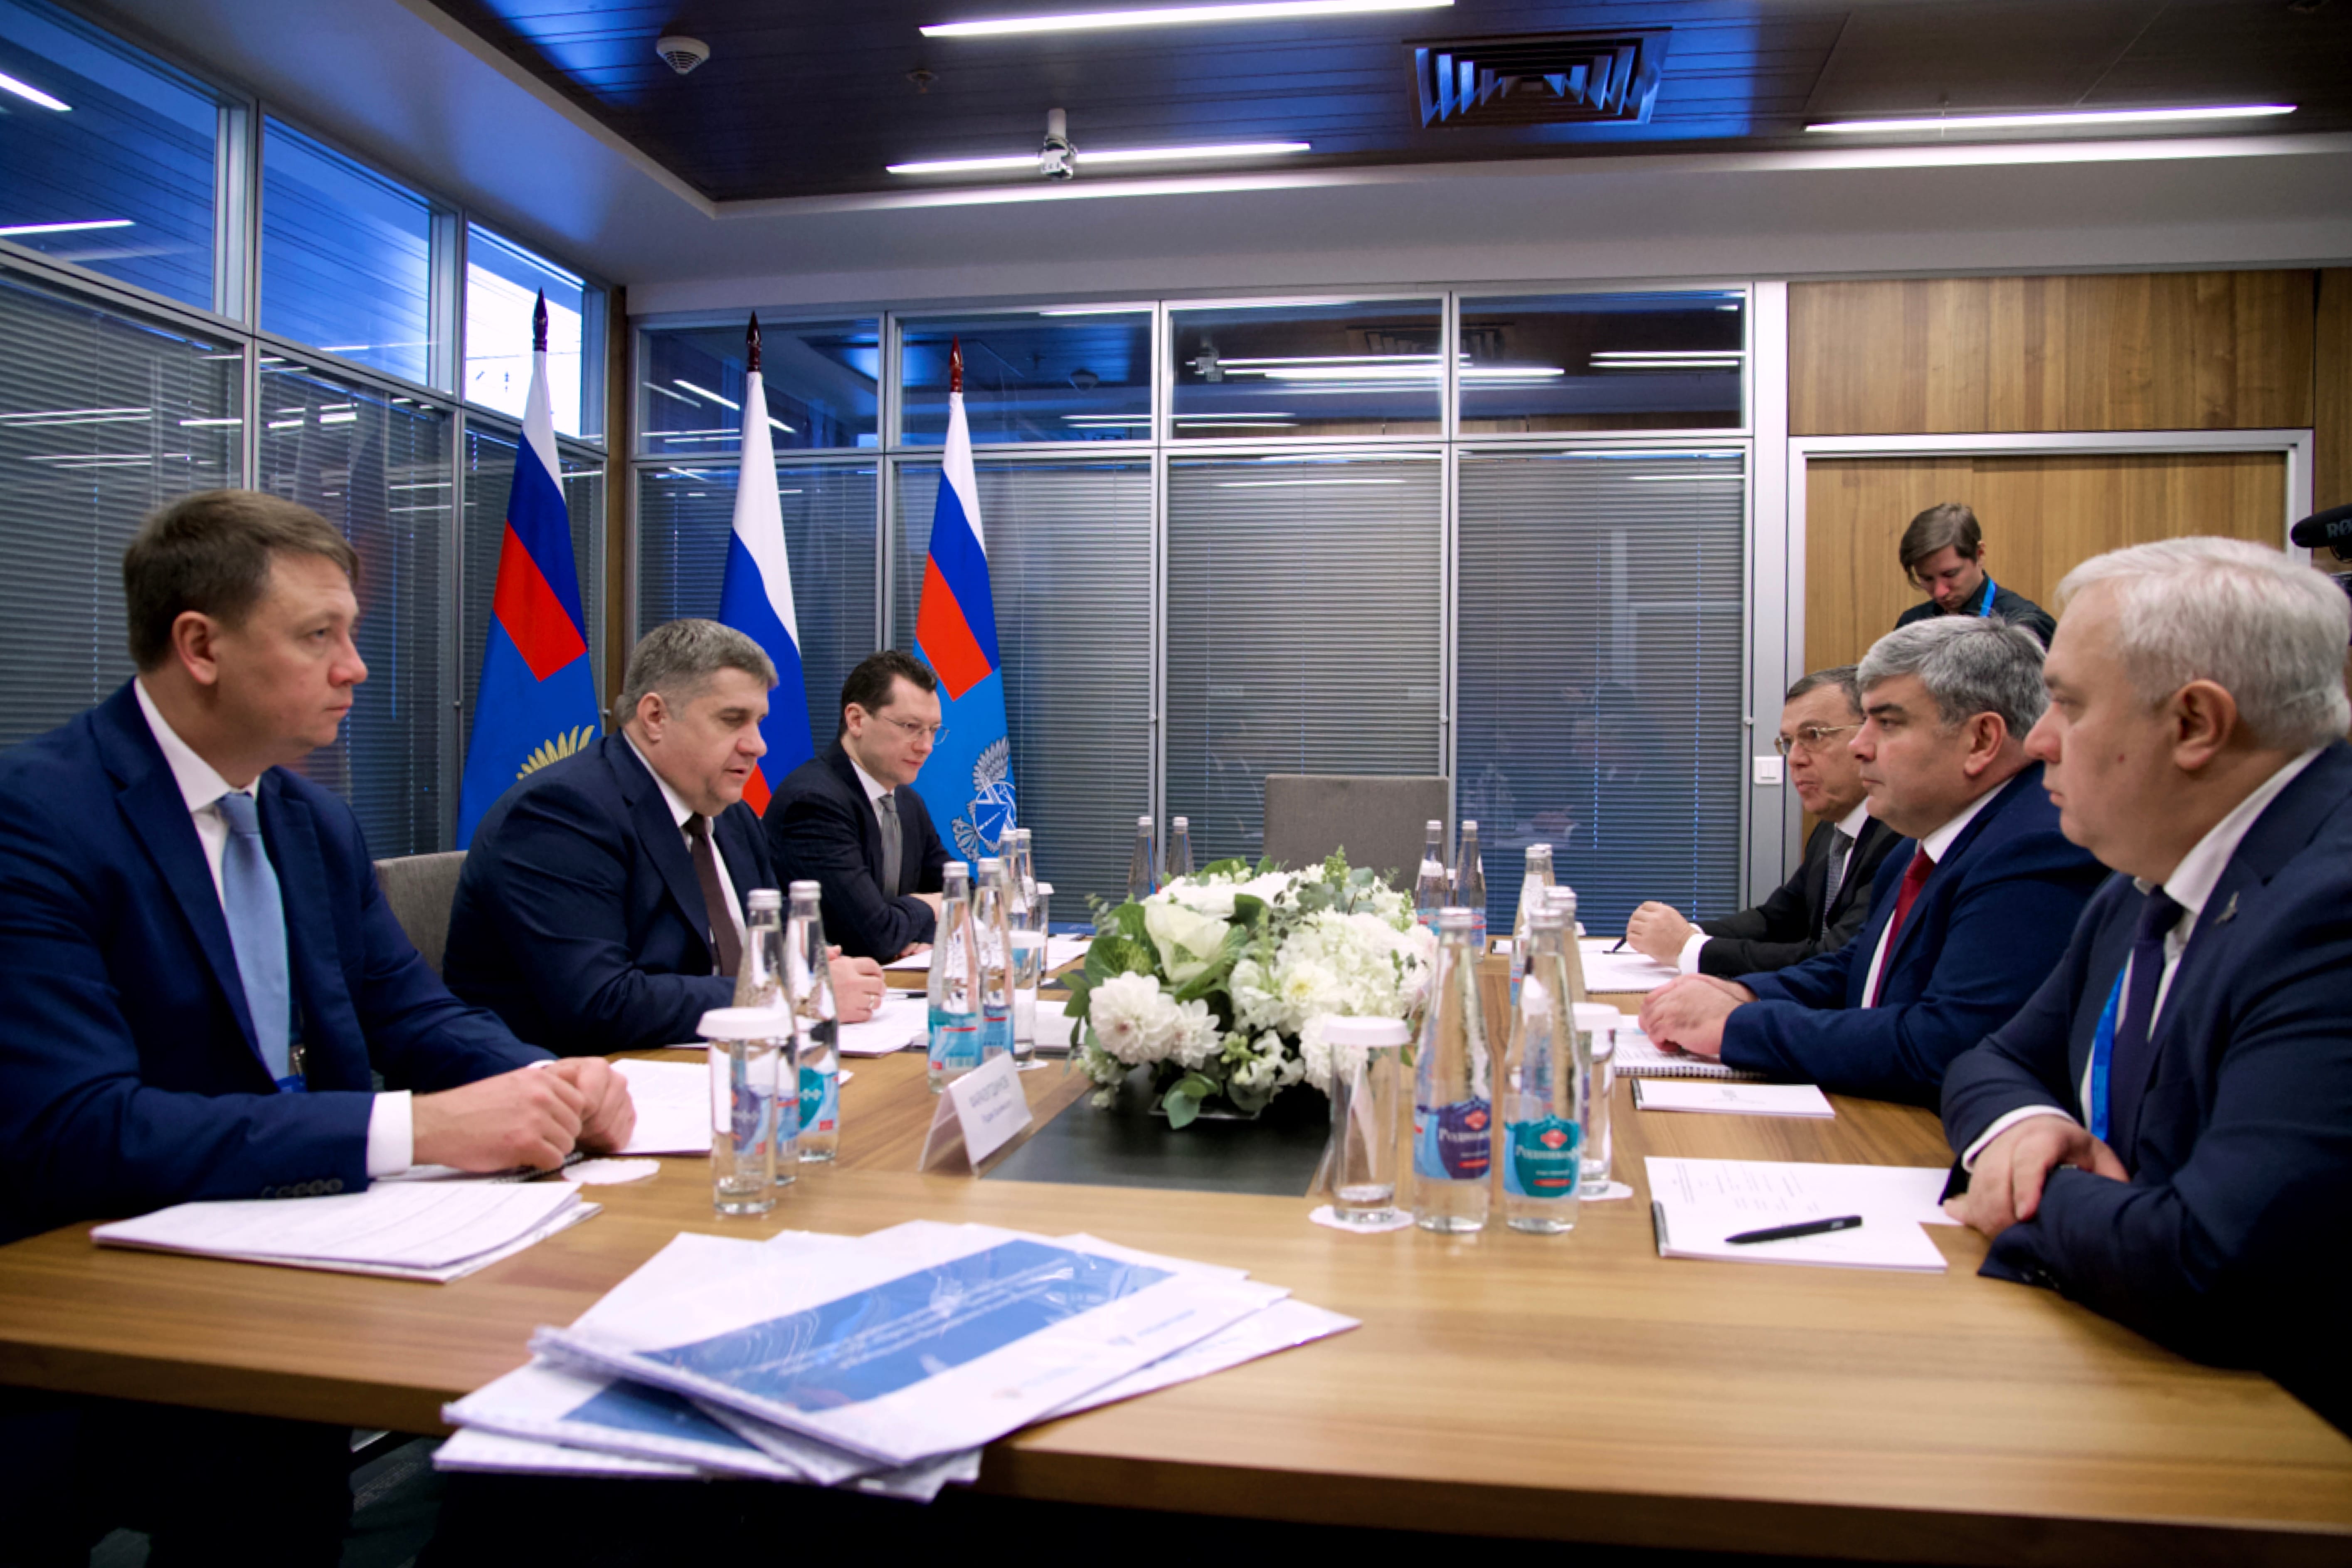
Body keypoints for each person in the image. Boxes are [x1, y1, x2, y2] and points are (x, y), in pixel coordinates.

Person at [0, 490, 634, 1562]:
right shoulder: (39, 817)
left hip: (304, 1258)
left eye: (353, 633)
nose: (358, 667)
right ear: (200, 645)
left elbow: (410, 1009)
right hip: (92, 1299)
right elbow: (77, 1125)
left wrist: (548, 1079)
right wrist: (416, 1127)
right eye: (318, 635)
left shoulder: (307, 815)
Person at [1940, 537, 2352, 1432]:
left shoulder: (2330, 911)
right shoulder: (2148, 872)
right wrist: (2026, 1128)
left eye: (2068, 703)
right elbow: (1993, 1058)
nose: (2039, 740)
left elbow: (2214, 1262)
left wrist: (2033, 1193)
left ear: (2195, 723)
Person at [1639, 616, 2105, 1101]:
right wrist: (1748, 993)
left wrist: (1737, 1026)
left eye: (1887, 723)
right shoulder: (1918, 844)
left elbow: (1946, 1045)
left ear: (1981, 739)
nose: (1860, 746)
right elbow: (1857, 968)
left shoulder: (2034, 848)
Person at [445, 620, 888, 1054]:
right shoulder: (562, 813)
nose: (757, 745)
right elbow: (602, 1003)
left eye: (758, 722)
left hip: (731, 1059)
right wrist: (795, 993)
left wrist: (814, 966)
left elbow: (776, 949)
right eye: (732, 720)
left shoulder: (730, 815)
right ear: (655, 716)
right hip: (577, 1080)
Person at [1624, 666, 1898, 977]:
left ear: (1869, 738)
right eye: (1788, 742)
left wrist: (1686, 948)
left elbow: (1834, 960)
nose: (1796, 758)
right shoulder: (1831, 831)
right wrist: (1688, 933)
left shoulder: (1900, 837)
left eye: (1814, 736)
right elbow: (1778, 920)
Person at [766, 650, 951, 962]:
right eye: (911, 727)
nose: (926, 746)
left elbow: (964, 895)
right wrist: (932, 905)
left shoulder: (907, 802)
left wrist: (925, 935)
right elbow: (873, 936)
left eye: (933, 730)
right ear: (856, 720)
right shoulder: (813, 803)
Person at [1894, 501, 2057, 647]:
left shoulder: (2027, 625)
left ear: (1979, 554)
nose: (1939, 593)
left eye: (1950, 574)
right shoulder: (1911, 626)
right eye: (1927, 579)